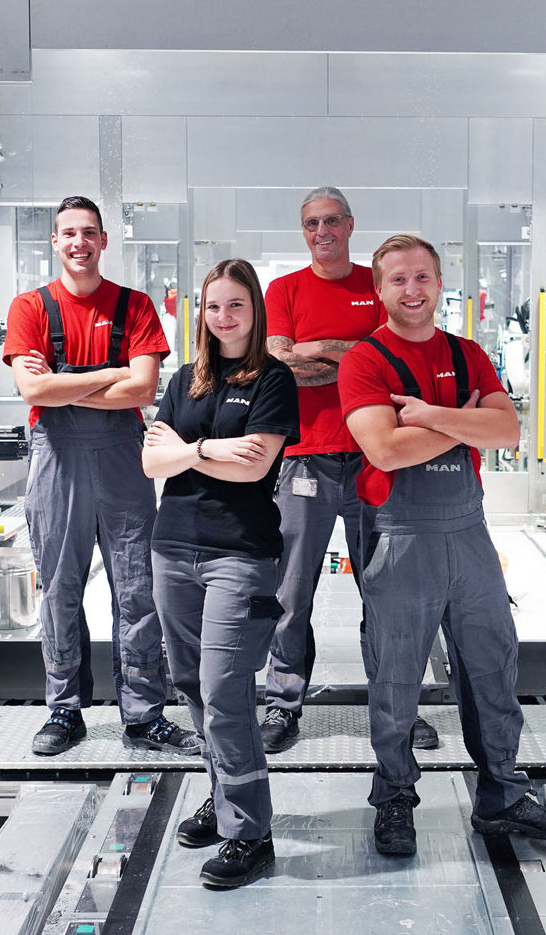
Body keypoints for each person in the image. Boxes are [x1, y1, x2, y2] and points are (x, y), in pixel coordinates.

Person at [338, 234, 546, 856]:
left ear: (440, 282)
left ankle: (502, 794)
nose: (412, 290)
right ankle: (394, 797)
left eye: (423, 277)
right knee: (395, 681)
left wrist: (426, 415)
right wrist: (459, 421)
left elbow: (507, 430)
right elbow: (385, 450)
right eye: (398, 279)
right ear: (378, 288)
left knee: (493, 669)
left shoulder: (468, 353)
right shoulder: (364, 361)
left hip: (469, 535)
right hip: (402, 539)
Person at [3, 195, 198, 757]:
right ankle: (64, 710)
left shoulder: (135, 306)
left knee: (137, 589)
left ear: (104, 241)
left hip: (121, 461)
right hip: (56, 461)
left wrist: (69, 379)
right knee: (60, 588)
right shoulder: (29, 308)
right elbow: (33, 391)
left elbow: (142, 391)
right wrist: (111, 375)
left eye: (88, 233)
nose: (78, 243)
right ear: (55, 242)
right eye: (68, 234)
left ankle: (144, 715)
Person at [262, 186, 438, 754]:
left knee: (388, 593)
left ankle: (401, 711)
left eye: (333, 220)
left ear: (351, 224)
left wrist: (321, 349)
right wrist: (356, 356)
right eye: (313, 223)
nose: (323, 231)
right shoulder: (284, 289)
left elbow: (397, 366)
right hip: (303, 460)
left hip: (376, 458)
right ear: (304, 230)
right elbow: (283, 370)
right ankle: (282, 703)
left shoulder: (376, 282)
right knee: (291, 594)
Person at [143, 258, 299, 889]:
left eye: (236, 304)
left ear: (254, 311)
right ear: (199, 313)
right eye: (213, 306)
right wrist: (209, 449)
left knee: (225, 688)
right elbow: (152, 461)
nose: (224, 317)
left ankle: (249, 833)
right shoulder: (187, 378)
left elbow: (255, 469)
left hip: (239, 552)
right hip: (172, 546)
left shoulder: (273, 379)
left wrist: (187, 452)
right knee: (189, 684)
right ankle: (225, 794)